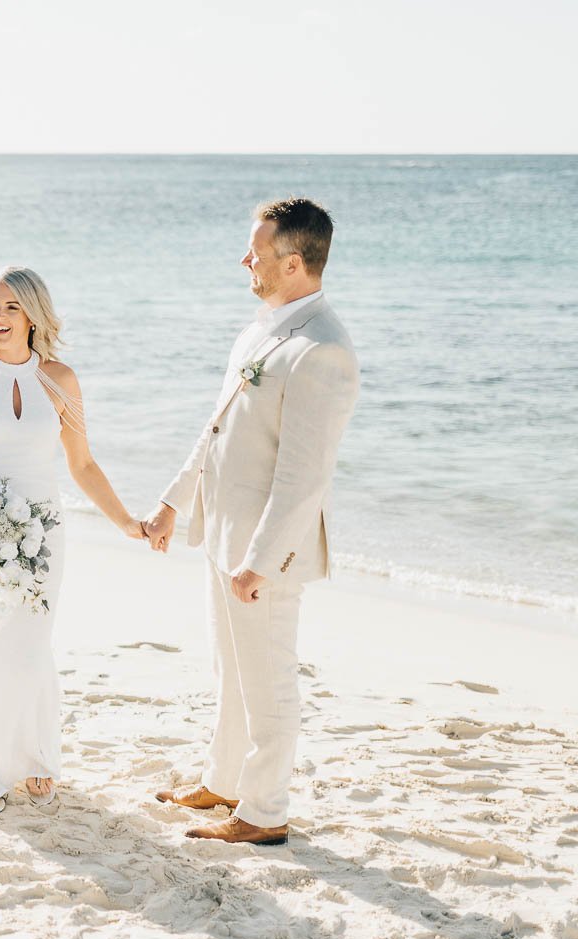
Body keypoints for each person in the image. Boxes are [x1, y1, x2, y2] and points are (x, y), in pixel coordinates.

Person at [144, 199, 360, 845]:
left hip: (267, 550)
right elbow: (217, 431)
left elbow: (303, 476)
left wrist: (263, 559)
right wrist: (172, 500)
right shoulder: (260, 329)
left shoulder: (323, 351)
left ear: (293, 262)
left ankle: (264, 811)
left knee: (268, 680)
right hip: (223, 529)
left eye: (257, 253)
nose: (246, 260)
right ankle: (225, 779)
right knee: (230, 671)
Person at [0, 266, 146, 811]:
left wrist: (127, 522)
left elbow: (83, 465)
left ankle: (34, 757)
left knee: (28, 645)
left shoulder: (60, 381)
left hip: (43, 532)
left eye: (10, 308)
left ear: (33, 315)